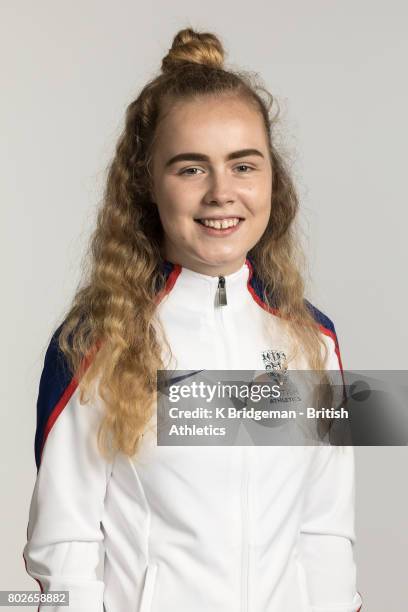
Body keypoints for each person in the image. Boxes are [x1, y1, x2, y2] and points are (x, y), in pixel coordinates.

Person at [23, 27, 363, 612]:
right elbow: (62, 545)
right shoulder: (94, 342)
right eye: (190, 169)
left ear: (271, 180)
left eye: (243, 166)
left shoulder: (314, 340)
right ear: (146, 183)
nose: (221, 193)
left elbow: (324, 528)